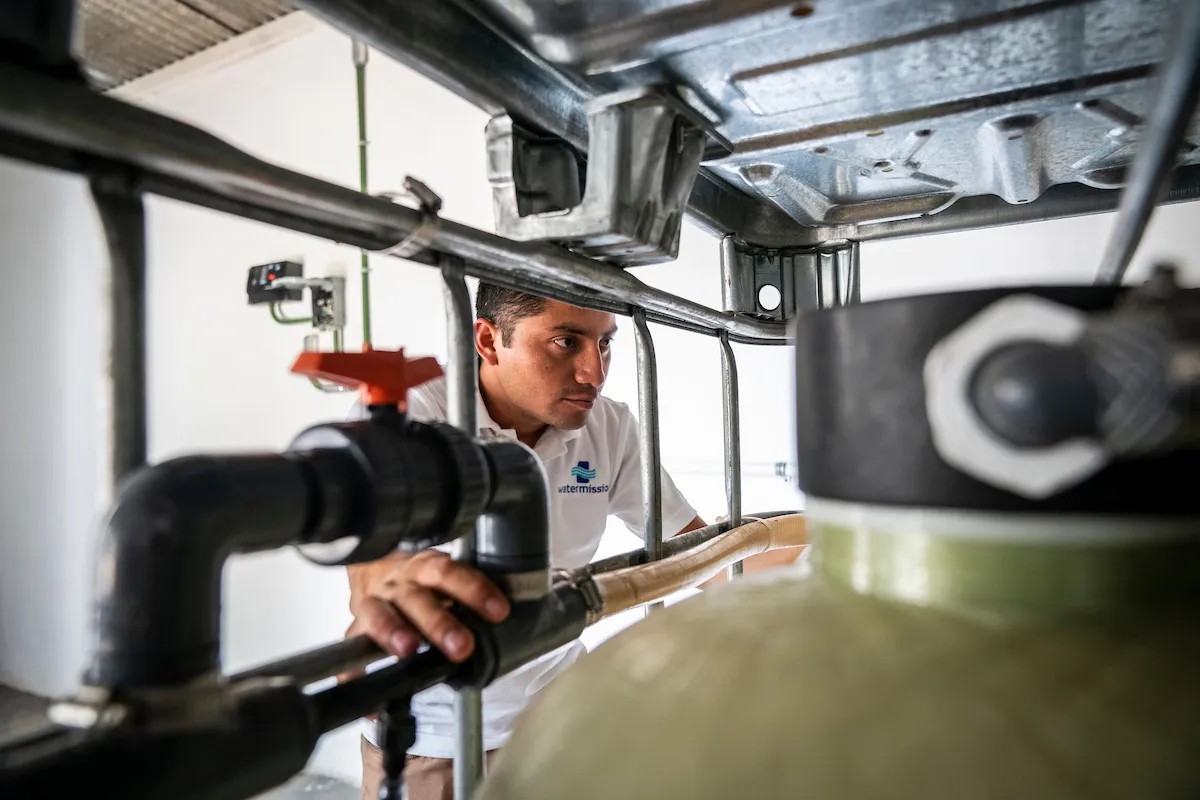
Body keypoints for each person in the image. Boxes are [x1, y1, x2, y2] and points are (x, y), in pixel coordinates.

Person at [347, 283, 794, 800]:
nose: (595, 373)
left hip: (551, 721)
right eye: (566, 342)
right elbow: (374, 561)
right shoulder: (417, 418)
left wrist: (827, 578)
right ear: (489, 341)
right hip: (431, 741)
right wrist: (377, 579)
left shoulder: (610, 427)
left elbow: (703, 555)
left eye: (606, 344)